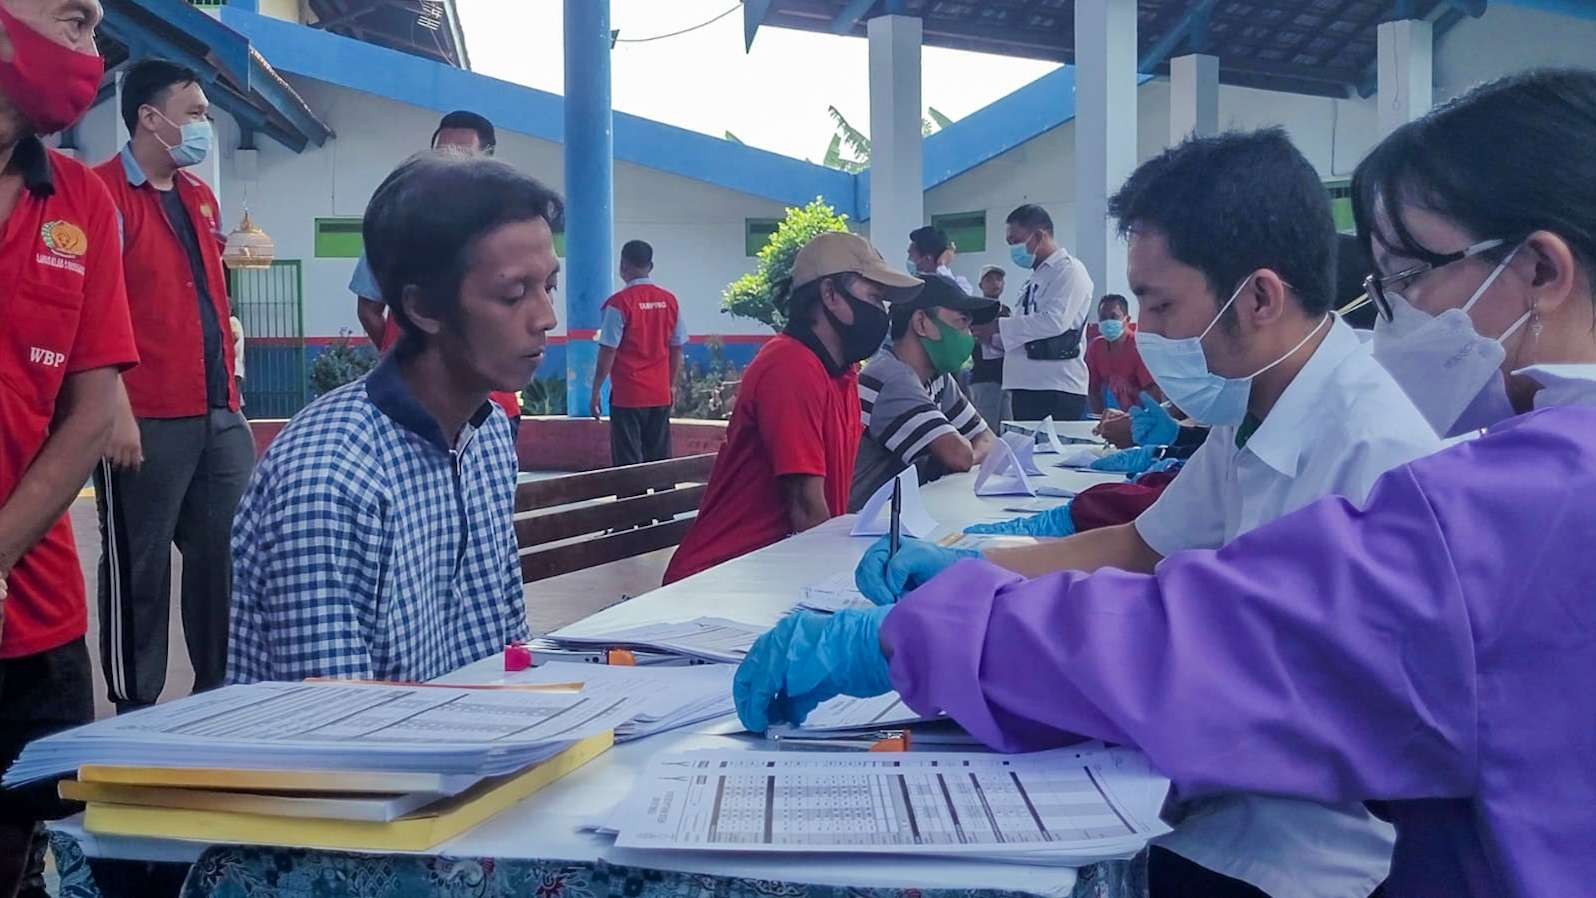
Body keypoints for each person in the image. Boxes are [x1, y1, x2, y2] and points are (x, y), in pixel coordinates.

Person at [732, 69, 1596, 898]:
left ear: (1541, 273)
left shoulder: (1482, 489)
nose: (1392, 315)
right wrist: (974, 573)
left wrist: (910, 637)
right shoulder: (1280, 413)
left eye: (1406, 279)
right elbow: (1149, 551)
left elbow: (1202, 645)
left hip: (1305, 847)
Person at [229, 154, 561, 683]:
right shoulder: (327, 481)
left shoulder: (488, 435)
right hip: (354, 758)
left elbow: (507, 655)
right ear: (424, 308)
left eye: (550, 286)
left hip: (467, 743)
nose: (546, 317)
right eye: (514, 294)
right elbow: (333, 729)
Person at [0, 0, 139, 891]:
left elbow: (91, 410)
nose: (91, 51)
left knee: (32, 857)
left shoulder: (80, 199)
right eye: (74, 21)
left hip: (35, 618)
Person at [91, 60, 256, 713]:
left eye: (205, 117)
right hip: (143, 414)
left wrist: (230, 391)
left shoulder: (200, 197)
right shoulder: (98, 195)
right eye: (194, 115)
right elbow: (91, 311)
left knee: (226, 556)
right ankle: (136, 705)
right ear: (149, 118)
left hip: (218, 409)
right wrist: (112, 409)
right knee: (142, 566)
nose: (203, 127)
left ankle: (215, 696)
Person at [662, 233, 922, 584]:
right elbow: (805, 506)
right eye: (874, 298)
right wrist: (842, 587)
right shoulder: (790, 365)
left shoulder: (842, 373)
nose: (882, 314)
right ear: (830, 294)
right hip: (721, 578)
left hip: (772, 570)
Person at [348, 110, 523, 434]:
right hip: (408, 400)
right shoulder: (393, 228)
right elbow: (368, 310)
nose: (448, 165)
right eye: (441, 154)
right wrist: (407, 354)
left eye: (462, 156)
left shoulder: (507, 232)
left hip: (492, 405)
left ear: (487, 160)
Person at [848, 274, 998, 511]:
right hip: (854, 526)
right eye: (962, 321)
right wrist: (967, 457)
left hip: (891, 517)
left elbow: (988, 439)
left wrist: (969, 456)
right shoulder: (892, 377)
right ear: (921, 323)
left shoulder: (937, 377)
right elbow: (959, 456)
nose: (970, 335)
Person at [591, 239, 685, 467]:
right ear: (650, 267)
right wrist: (670, 386)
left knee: (629, 464)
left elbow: (607, 352)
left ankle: (632, 503)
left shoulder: (618, 304)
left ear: (623, 266)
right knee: (661, 461)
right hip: (659, 395)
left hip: (628, 396)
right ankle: (664, 503)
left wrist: (595, 391)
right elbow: (676, 348)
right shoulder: (670, 301)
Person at [999, 204, 1095, 421]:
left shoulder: (1068, 271)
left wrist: (1000, 327)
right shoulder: (1036, 276)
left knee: (1051, 454)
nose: (1013, 249)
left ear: (1040, 235)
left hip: (1056, 387)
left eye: (1015, 241)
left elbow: (1054, 322)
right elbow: (1025, 327)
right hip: (1027, 383)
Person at [1084, 293, 1160, 413]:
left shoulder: (1139, 347)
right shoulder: (1096, 347)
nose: (1108, 321)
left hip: (1145, 414)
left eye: (1114, 317)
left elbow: (1153, 392)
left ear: (1127, 319)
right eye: (1103, 317)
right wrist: (1100, 418)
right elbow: (1093, 390)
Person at [967, 264, 1010, 430]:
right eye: (989, 279)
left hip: (1006, 379)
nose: (995, 283)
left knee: (1008, 429)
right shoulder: (974, 310)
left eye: (999, 279)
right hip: (984, 379)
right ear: (980, 285)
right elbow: (976, 338)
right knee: (987, 432)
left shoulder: (1006, 311)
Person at [906, 225, 971, 293]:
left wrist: (941, 265)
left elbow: (958, 297)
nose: (909, 259)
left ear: (928, 259)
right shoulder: (911, 285)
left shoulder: (962, 286)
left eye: (911, 255)